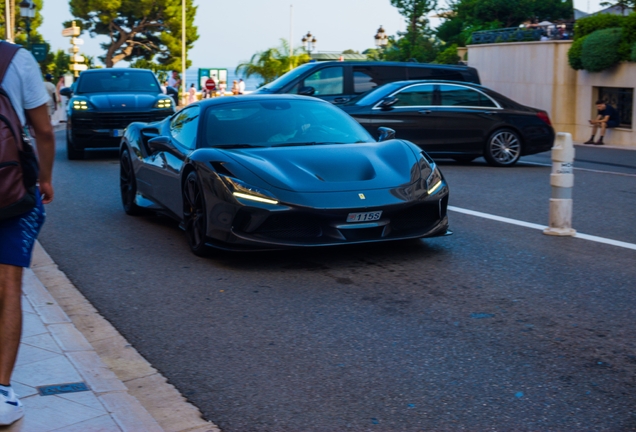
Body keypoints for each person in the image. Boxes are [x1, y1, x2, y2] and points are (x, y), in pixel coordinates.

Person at [0, 41, 55, 426]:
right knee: (8, 285)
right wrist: (46, 178)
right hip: (9, 190)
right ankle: (1, 393)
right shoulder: (15, 58)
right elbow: (45, 131)